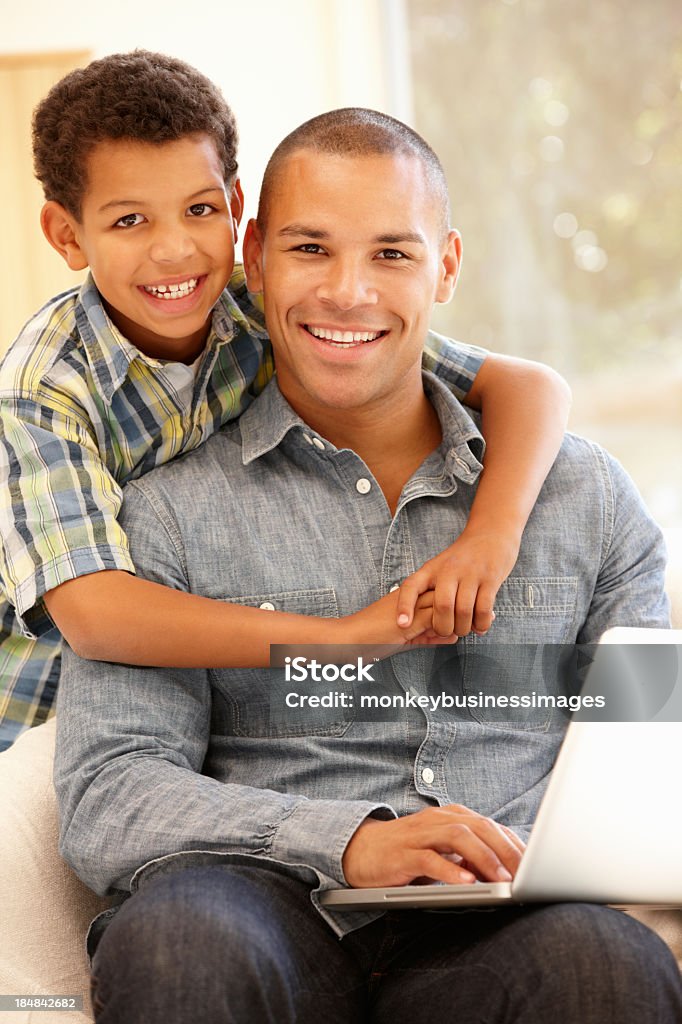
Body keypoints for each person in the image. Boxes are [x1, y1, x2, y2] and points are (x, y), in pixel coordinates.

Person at [54, 109, 680, 1023]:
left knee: (602, 966)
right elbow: (109, 793)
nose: (349, 293)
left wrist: (537, 850)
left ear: (447, 266)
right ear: (256, 256)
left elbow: (649, 738)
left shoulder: (581, 494)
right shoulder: (168, 511)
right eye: (312, 248)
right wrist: (347, 841)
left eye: (393, 254)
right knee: (178, 944)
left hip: (505, 930)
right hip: (264, 902)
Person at [0, 50, 572, 753]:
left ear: (237, 212)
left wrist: (490, 536)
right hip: (29, 714)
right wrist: (341, 641)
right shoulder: (42, 387)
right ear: (66, 235)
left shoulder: (270, 300)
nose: (176, 250)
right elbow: (93, 612)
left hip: (176, 690)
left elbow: (531, 386)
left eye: (199, 209)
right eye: (129, 222)